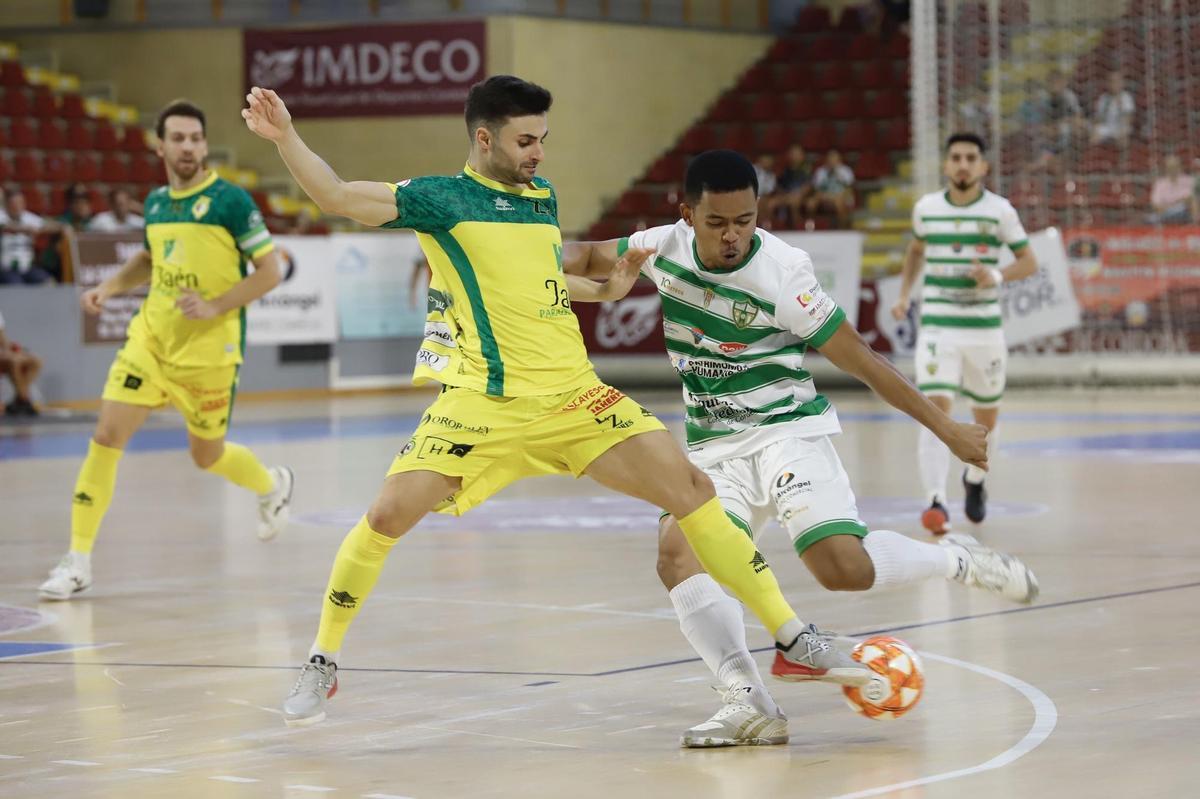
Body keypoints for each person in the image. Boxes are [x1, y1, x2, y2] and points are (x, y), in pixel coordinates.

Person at [241, 75, 872, 727]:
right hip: (483, 406)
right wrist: (286, 136)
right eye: (525, 140)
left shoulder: (540, 196)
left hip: (575, 397)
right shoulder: (440, 200)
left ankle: (794, 638)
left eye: (543, 138)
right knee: (384, 517)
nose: (539, 152)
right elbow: (338, 195)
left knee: (691, 487)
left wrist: (601, 290)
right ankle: (322, 660)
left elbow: (539, 277)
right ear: (484, 139)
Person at [564, 150, 1037, 748]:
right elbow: (584, 258)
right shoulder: (661, 246)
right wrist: (526, 258)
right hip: (713, 450)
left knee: (842, 569)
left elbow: (862, 359)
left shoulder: (785, 273)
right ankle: (747, 700)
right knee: (675, 556)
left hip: (788, 432)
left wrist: (948, 430)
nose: (734, 235)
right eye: (718, 223)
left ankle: (957, 560)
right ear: (687, 215)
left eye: (746, 220)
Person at [37, 99, 295, 601]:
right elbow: (150, 258)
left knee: (207, 456)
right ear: (160, 146)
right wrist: (109, 289)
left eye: (195, 138)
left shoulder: (230, 202)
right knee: (107, 435)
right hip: (150, 342)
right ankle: (79, 560)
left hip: (209, 356)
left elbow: (270, 271)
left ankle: (270, 485)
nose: (188, 147)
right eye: (177, 138)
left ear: (203, 144)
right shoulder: (155, 202)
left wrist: (216, 303)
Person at [891, 132, 1038, 534]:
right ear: (945, 164)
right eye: (955, 157)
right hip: (938, 325)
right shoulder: (926, 209)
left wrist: (996, 274)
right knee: (936, 412)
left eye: (971, 158)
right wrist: (905, 294)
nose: (962, 164)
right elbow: (916, 251)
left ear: (983, 167)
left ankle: (974, 480)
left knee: (985, 419)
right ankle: (935, 501)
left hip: (984, 330)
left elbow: (1029, 261)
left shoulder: (1000, 212)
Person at [0, 186, 57, 285]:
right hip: (6, 269)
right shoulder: (2, 216)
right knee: (17, 287)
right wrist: (23, 229)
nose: (17, 206)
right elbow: (5, 226)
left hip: (28, 268)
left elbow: (49, 225)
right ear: (7, 205)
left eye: (20, 203)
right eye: (14, 204)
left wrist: (62, 227)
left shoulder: (28, 217)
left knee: (49, 283)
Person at [0, 309, 42, 416]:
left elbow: (4, 341)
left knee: (35, 361)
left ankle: (20, 399)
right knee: (14, 362)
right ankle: (24, 400)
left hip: (3, 354)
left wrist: (13, 351)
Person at [806, 149, 855, 228]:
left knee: (838, 202)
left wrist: (837, 196)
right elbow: (817, 190)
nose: (832, 160)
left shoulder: (846, 170)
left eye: (834, 158)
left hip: (841, 196)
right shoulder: (821, 171)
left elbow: (848, 189)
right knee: (810, 203)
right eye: (830, 158)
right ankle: (810, 227)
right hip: (824, 196)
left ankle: (842, 228)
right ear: (827, 159)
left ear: (839, 159)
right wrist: (824, 196)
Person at [767, 143, 813, 229]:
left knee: (794, 201)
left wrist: (798, 194)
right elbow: (779, 186)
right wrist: (784, 195)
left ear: (802, 156)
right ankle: (774, 227)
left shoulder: (807, 169)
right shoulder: (785, 170)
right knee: (771, 203)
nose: (794, 156)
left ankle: (797, 227)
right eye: (792, 153)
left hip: (801, 196)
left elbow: (808, 186)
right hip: (786, 195)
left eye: (797, 154)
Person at [1147, 155, 1197, 225]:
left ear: (1180, 167)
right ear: (1166, 168)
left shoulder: (1190, 181)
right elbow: (1156, 205)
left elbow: (1192, 200)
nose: (1173, 169)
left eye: (1175, 167)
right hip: (1167, 213)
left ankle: (1194, 226)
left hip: (1186, 213)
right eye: (1170, 167)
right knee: (1151, 218)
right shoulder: (1160, 184)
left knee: (1189, 205)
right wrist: (1175, 204)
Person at [1091, 71, 1135, 147]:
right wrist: (1095, 125)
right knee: (1093, 137)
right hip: (1107, 126)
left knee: (1123, 141)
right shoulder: (1104, 98)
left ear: (1122, 83)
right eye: (1111, 82)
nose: (1114, 84)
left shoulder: (1126, 97)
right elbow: (1098, 118)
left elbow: (1129, 118)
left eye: (1117, 82)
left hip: (1121, 126)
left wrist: (1120, 107)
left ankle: (1122, 158)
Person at [752, 153, 778, 226]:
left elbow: (769, 192)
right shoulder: (753, 169)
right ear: (760, 160)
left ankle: (765, 224)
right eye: (766, 159)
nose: (767, 162)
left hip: (762, 197)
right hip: (749, 195)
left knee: (768, 203)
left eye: (769, 160)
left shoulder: (771, 175)